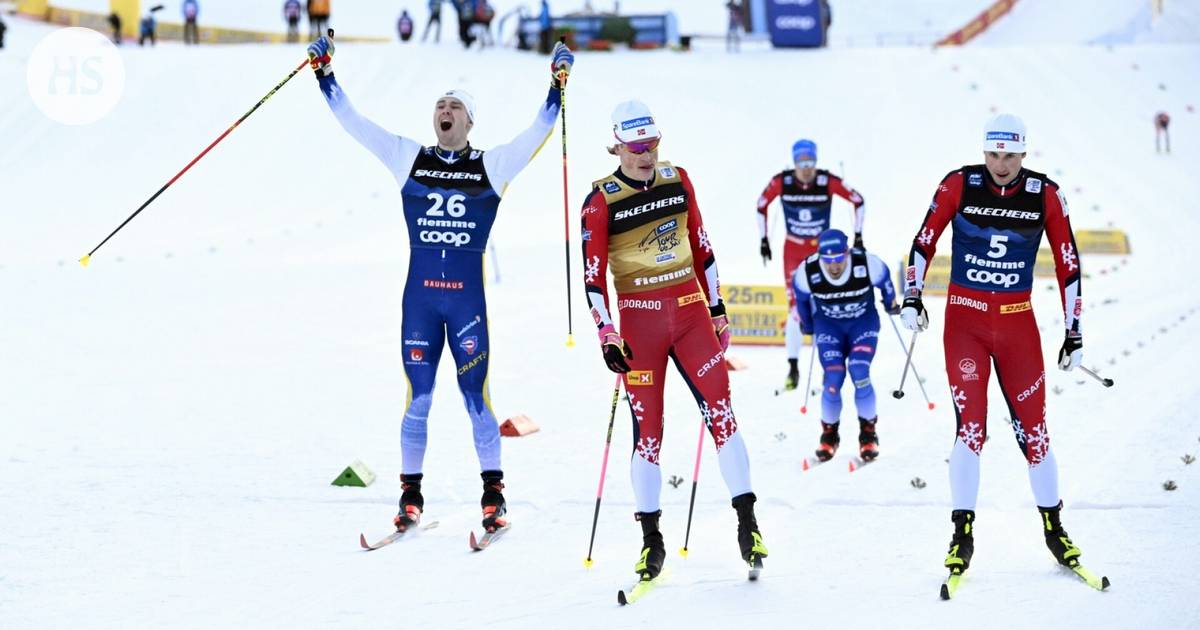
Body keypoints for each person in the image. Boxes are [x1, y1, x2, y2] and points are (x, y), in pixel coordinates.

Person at [306, 34, 574, 535]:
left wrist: (556, 86)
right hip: (421, 303)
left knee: (477, 398)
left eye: (455, 107)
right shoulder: (408, 157)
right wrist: (326, 76)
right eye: (439, 106)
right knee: (419, 398)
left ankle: (493, 496)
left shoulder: (490, 165)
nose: (445, 111)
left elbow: (537, 131)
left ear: (469, 121)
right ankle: (410, 496)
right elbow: (355, 124)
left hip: (466, 303)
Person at [580, 101, 769, 581]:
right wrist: (607, 333)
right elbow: (593, 278)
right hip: (639, 327)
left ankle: (748, 522)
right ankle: (650, 540)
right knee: (649, 434)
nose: (646, 154)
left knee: (722, 412)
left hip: (689, 317)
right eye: (637, 146)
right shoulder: (600, 201)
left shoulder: (678, 179)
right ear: (618, 146)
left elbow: (703, 248)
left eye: (653, 144)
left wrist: (719, 308)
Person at [900, 114, 1092, 583]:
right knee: (971, 429)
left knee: (1035, 430)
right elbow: (924, 242)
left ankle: (1054, 528)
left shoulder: (1045, 194)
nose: (1000, 164)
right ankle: (961, 533)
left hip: (1016, 324)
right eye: (993, 154)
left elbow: (1068, 261)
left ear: (1024, 154)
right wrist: (911, 295)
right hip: (964, 320)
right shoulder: (957, 184)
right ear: (983, 151)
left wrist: (1075, 330)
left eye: (1009, 155)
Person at [756, 139, 866, 391]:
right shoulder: (781, 182)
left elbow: (858, 200)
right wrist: (764, 240)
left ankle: (828, 369)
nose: (806, 168)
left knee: (823, 308)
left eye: (810, 162)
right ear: (794, 162)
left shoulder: (826, 181)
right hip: (793, 251)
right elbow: (761, 205)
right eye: (801, 162)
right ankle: (793, 369)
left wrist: (858, 234)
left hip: (822, 252)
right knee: (795, 308)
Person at [791, 229, 897, 463]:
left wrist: (890, 303)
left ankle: (868, 433)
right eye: (827, 261)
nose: (834, 266)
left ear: (847, 253)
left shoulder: (866, 262)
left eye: (839, 259)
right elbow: (800, 298)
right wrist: (807, 325)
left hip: (863, 324)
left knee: (859, 371)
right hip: (830, 328)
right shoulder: (807, 271)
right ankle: (829, 434)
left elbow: (886, 280)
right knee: (833, 377)